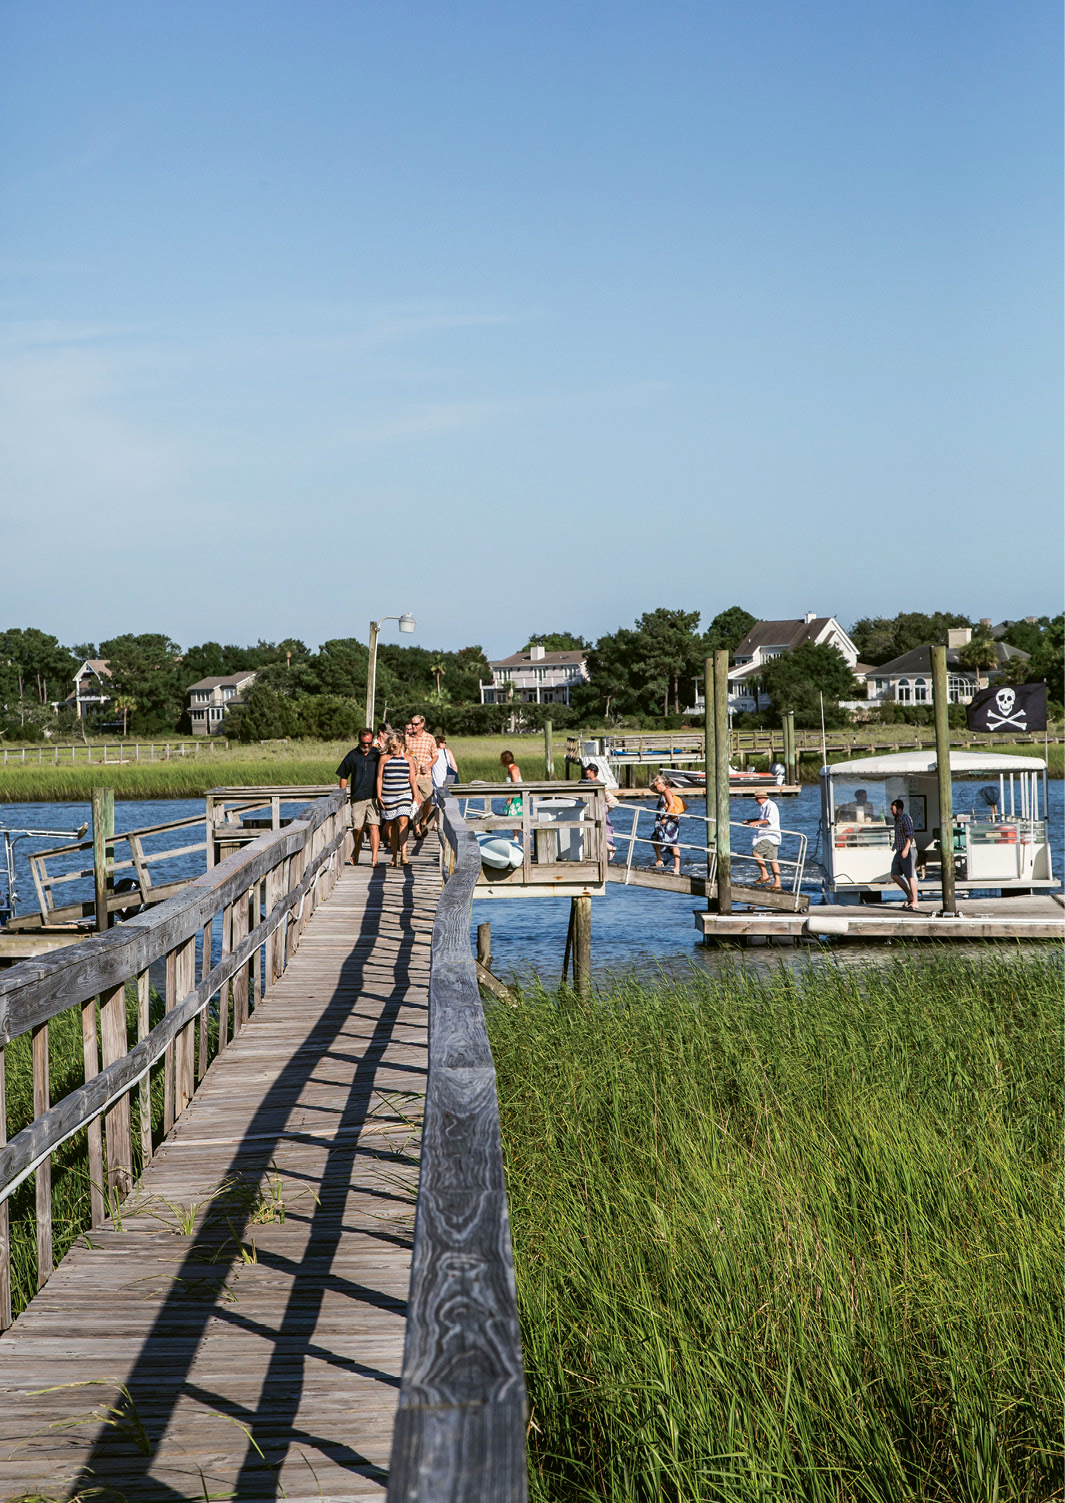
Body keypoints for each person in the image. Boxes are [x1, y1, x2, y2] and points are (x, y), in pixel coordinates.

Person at [335, 728, 381, 866]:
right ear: (359, 741)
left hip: (374, 797)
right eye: (364, 743)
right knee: (358, 828)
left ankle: (374, 858)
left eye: (369, 742)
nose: (366, 745)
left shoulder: (377, 755)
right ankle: (357, 850)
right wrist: (342, 794)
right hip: (358, 797)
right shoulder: (352, 755)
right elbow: (343, 775)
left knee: (374, 826)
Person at [377, 734, 419, 867]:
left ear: (401, 744)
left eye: (395, 745)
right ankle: (394, 855)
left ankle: (404, 854)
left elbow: (412, 779)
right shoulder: (384, 758)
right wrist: (379, 795)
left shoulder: (408, 759)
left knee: (403, 820)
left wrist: (415, 796)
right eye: (390, 745)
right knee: (392, 825)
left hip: (404, 794)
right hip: (388, 794)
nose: (393, 748)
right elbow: (379, 777)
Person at [405, 714, 437, 838]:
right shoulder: (407, 738)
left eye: (416, 724)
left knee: (428, 802)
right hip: (411, 777)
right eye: (412, 724)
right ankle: (417, 828)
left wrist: (429, 765)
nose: (413, 726)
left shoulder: (429, 738)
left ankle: (424, 820)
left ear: (422, 724)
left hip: (425, 776)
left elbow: (435, 755)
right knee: (415, 802)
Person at [743, 791, 782, 889]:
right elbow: (762, 818)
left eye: (757, 799)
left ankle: (765, 875)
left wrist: (756, 823)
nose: (756, 801)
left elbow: (770, 820)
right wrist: (751, 820)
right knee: (773, 860)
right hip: (771, 836)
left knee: (756, 852)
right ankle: (777, 883)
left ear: (761, 798)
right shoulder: (764, 807)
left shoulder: (771, 805)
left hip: (769, 835)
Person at [580, 761, 617, 855]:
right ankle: (607, 849)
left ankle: (609, 848)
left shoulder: (595, 783)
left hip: (596, 810)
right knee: (598, 830)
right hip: (598, 809)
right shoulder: (597, 783)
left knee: (593, 831)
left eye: (587, 770)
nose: (586, 771)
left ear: (592, 771)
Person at [650, 774, 683, 874]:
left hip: (669, 822)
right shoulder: (661, 792)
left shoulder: (667, 792)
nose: (656, 788)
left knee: (673, 843)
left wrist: (665, 817)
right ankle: (660, 860)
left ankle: (676, 867)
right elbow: (651, 788)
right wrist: (656, 779)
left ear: (661, 784)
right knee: (655, 838)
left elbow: (671, 804)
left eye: (657, 786)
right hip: (662, 822)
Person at [890, 797, 919, 911]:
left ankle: (915, 901)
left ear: (899, 809)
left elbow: (910, 835)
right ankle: (909, 895)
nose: (892, 812)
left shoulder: (905, 818)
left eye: (893, 809)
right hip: (899, 849)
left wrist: (906, 850)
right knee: (894, 874)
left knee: (910, 876)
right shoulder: (897, 820)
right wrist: (895, 846)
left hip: (908, 849)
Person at [426, 733, 458, 831]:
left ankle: (436, 824)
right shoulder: (447, 752)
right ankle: (446, 824)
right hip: (446, 780)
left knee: (437, 804)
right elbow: (454, 767)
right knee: (447, 803)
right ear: (440, 743)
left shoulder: (431, 754)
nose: (445, 744)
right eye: (444, 742)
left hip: (436, 781)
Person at [499, 749, 523, 837]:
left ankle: (527, 834)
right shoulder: (515, 768)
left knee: (512, 820)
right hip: (518, 796)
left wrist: (510, 798)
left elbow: (515, 785)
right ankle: (515, 842)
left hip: (516, 798)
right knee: (514, 824)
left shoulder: (513, 770)